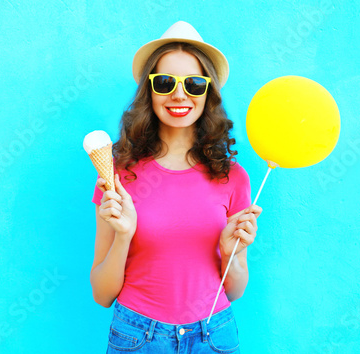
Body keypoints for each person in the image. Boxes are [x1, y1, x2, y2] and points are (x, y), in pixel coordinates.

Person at [89, 21, 262, 353]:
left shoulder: (233, 177)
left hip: (214, 335)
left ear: (207, 92)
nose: (179, 94)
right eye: (165, 82)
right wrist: (124, 234)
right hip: (138, 335)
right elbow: (102, 294)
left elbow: (236, 290)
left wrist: (231, 253)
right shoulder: (118, 173)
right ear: (150, 91)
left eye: (194, 84)